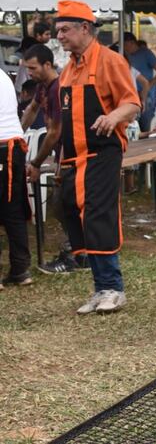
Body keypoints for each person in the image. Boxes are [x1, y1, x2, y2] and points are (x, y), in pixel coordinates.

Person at [55, 0, 141, 314]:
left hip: (103, 152)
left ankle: (112, 288)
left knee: (98, 215)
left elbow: (132, 103)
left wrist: (112, 117)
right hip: (74, 157)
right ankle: (99, 285)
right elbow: (65, 119)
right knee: (68, 209)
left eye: (65, 29)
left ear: (85, 28)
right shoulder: (68, 69)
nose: (60, 35)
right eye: (58, 30)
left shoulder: (110, 61)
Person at [21, 44, 90, 275]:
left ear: (47, 65)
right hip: (63, 153)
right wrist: (17, 133)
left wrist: (37, 163)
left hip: (71, 153)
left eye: (32, 68)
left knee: (64, 205)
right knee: (63, 205)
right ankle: (81, 252)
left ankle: (75, 254)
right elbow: (31, 110)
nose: (29, 73)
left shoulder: (59, 88)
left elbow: (55, 132)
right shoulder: (43, 87)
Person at [0, 69, 33, 291]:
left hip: (3, 145)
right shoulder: (3, 75)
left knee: (11, 211)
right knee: (13, 210)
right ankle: (20, 270)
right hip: (13, 146)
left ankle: (20, 269)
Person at [124, 32, 156, 131]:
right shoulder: (126, 55)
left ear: (131, 43)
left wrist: (149, 86)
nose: (124, 48)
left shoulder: (146, 53)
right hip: (132, 95)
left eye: (125, 45)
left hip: (146, 96)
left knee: (146, 127)